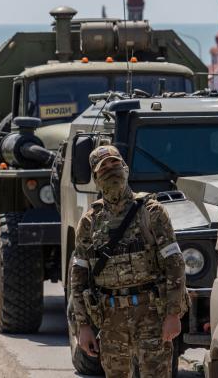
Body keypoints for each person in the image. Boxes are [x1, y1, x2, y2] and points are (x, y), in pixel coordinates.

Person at [70, 145, 187, 378]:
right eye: (104, 168)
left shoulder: (152, 212)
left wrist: (173, 315)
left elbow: (175, 264)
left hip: (151, 314)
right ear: (95, 177)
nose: (111, 171)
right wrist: (82, 326)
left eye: (115, 165)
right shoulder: (89, 222)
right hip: (111, 319)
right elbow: (79, 277)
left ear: (125, 169)